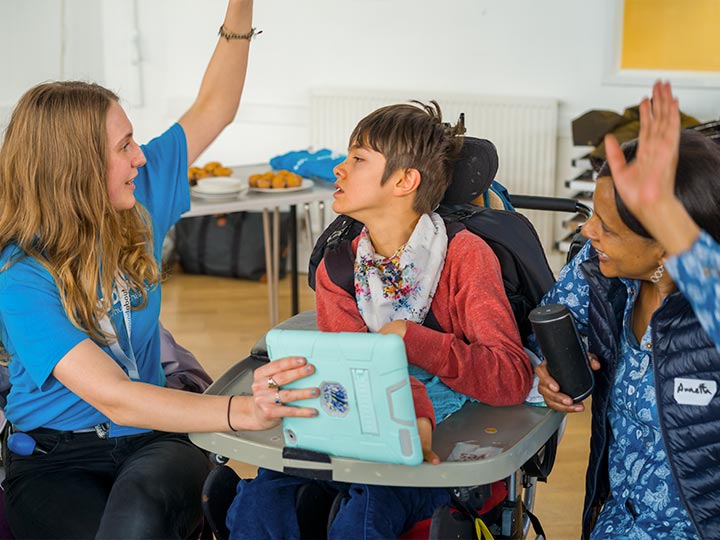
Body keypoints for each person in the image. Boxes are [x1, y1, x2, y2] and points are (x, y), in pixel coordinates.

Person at [0, 2, 318, 538]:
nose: (140, 157)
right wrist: (242, 411)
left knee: (141, 508)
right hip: (55, 458)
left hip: (155, 436)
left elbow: (215, 107)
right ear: (76, 171)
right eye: (125, 147)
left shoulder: (138, 199)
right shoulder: (21, 275)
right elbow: (112, 394)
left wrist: (240, 5)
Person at [226, 101, 532, 539]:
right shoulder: (338, 268)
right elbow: (355, 370)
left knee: (366, 513)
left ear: (406, 180)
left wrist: (412, 340)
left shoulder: (465, 257)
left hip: (442, 450)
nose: (339, 169)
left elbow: (510, 378)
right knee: (259, 500)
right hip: (355, 427)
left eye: (357, 159)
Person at [535, 81, 720, 540]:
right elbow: (556, 316)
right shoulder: (601, 267)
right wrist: (557, 365)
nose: (587, 230)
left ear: (665, 244)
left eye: (608, 227)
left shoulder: (706, 303)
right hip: (615, 519)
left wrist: (664, 211)